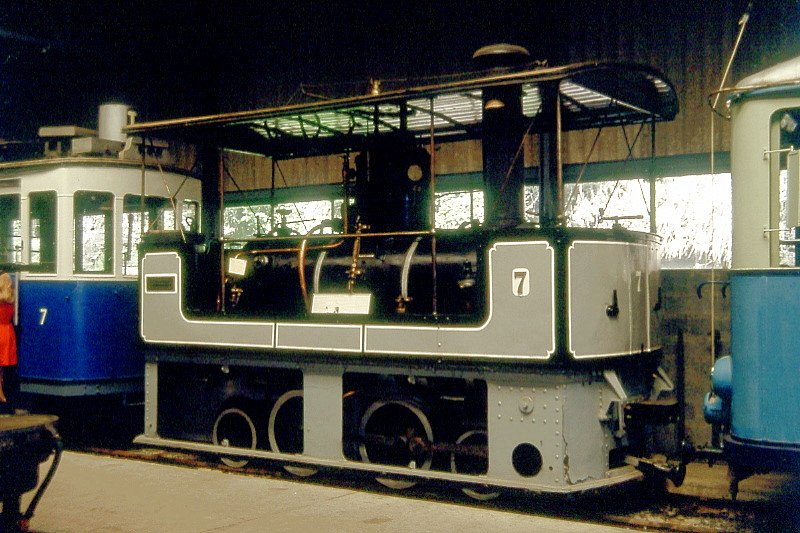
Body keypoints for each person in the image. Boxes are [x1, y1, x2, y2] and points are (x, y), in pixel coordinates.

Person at [0, 272, 18, 409]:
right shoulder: (11, 297)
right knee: (6, 367)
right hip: (9, 332)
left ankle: (1, 393)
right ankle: (5, 394)